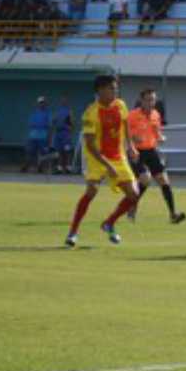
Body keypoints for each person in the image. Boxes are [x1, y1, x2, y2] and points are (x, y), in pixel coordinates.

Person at [65, 75, 140, 247]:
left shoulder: (121, 105)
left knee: (134, 195)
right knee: (91, 190)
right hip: (97, 158)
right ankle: (73, 233)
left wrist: (131, 146)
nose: (115, 91)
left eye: (116, 88)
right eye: (111, 88)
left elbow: (125, 124)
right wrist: (108, 166)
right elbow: (90, 146)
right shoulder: (90, 113)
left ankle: (109, 223)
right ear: (100, 90)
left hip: (118, 156)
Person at [127, 88, 186, 224]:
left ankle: (173, 214)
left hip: (151, 151)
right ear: (141, 100)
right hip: (136, 152)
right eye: (148, 99)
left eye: (153, 99)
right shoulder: (132, 116)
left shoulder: (155, 115)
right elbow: (126, 134)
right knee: (145, 179)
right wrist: (133, 140)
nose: (151, 102)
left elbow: (156, 131)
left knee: (164, 180)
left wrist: (160, 137)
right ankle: (132, 206)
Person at [22, 96, 53, 173]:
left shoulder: (48, 113)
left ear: (45, 104)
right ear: (38, 104)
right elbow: (30, 126)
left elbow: (49, 127)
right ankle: (26, 166)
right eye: (40, 103)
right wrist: (28, 137)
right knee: (30, 152)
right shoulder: (34, 113)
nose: (41, 104)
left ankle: (40, 168)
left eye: (43, 103)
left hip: (43, 136)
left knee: (43, 153)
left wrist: (49, 138)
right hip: (33, 136)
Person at [51, 96, 75, 174]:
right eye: (62, 100)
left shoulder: (69, 111)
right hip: (58, 133)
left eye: (65, 100)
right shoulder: (58, 111)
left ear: (67, 102)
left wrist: (70, 132)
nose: (63, 102)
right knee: (59, 151)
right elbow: (54, 121)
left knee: (67, 151)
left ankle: (68, 168)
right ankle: (59, 168)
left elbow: (72, 123)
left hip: (66, 134)